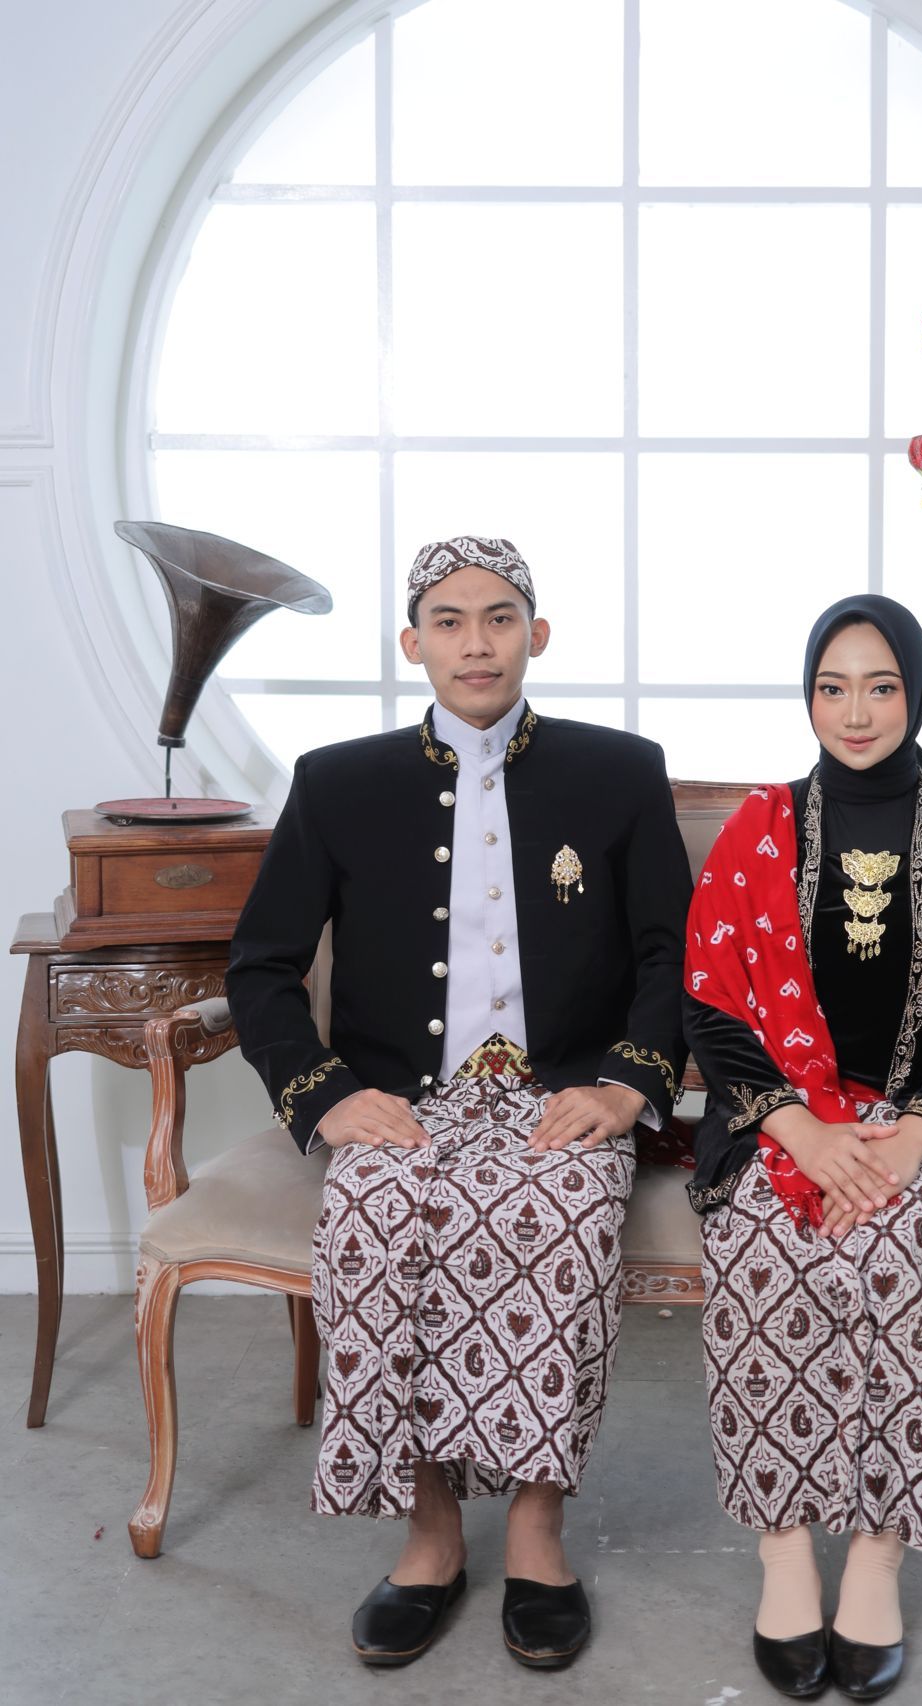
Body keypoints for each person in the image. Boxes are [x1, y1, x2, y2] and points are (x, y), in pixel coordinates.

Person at [226, 536, 690, 1671]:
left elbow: (670, 954)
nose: (475, 642)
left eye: (498, 618)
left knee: (558, 1217)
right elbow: (261, 965)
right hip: (400, 1097)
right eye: (448, 620)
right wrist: (326, 1095)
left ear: (537, 634)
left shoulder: (620, 770)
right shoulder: (337, 782)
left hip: (561, 1092)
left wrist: (626, 1082)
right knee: (375, 1219)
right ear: (412, 643)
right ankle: (429, 1534)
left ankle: (535, 1529)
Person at [683, 594, 922, 1701]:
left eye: (880, 686)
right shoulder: (761, 829)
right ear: (808, 696)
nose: (856, 711)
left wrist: (908, 1139)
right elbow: (710, 1009)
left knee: (897, 1252)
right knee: (764, 1252)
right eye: (832, 687)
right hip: (773, 1119)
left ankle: (876, 1556)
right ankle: (783, 1547)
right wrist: (798, 1127)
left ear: (914, 692)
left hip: (919, 1127)